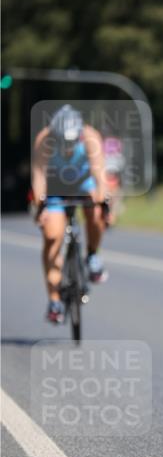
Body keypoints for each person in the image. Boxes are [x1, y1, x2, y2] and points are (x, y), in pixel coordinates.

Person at [31, 105, 108, 324]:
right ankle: (54, 301)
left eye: (72, 143)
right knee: (52, 236)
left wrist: (103, 203)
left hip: (84, 184)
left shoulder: (91, 137)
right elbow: (39, 179)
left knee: (96, 210)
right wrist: (41, 208)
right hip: (55, 187)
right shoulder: (44, 140)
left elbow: (100, 176)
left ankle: (92, 254)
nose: (67, 148)